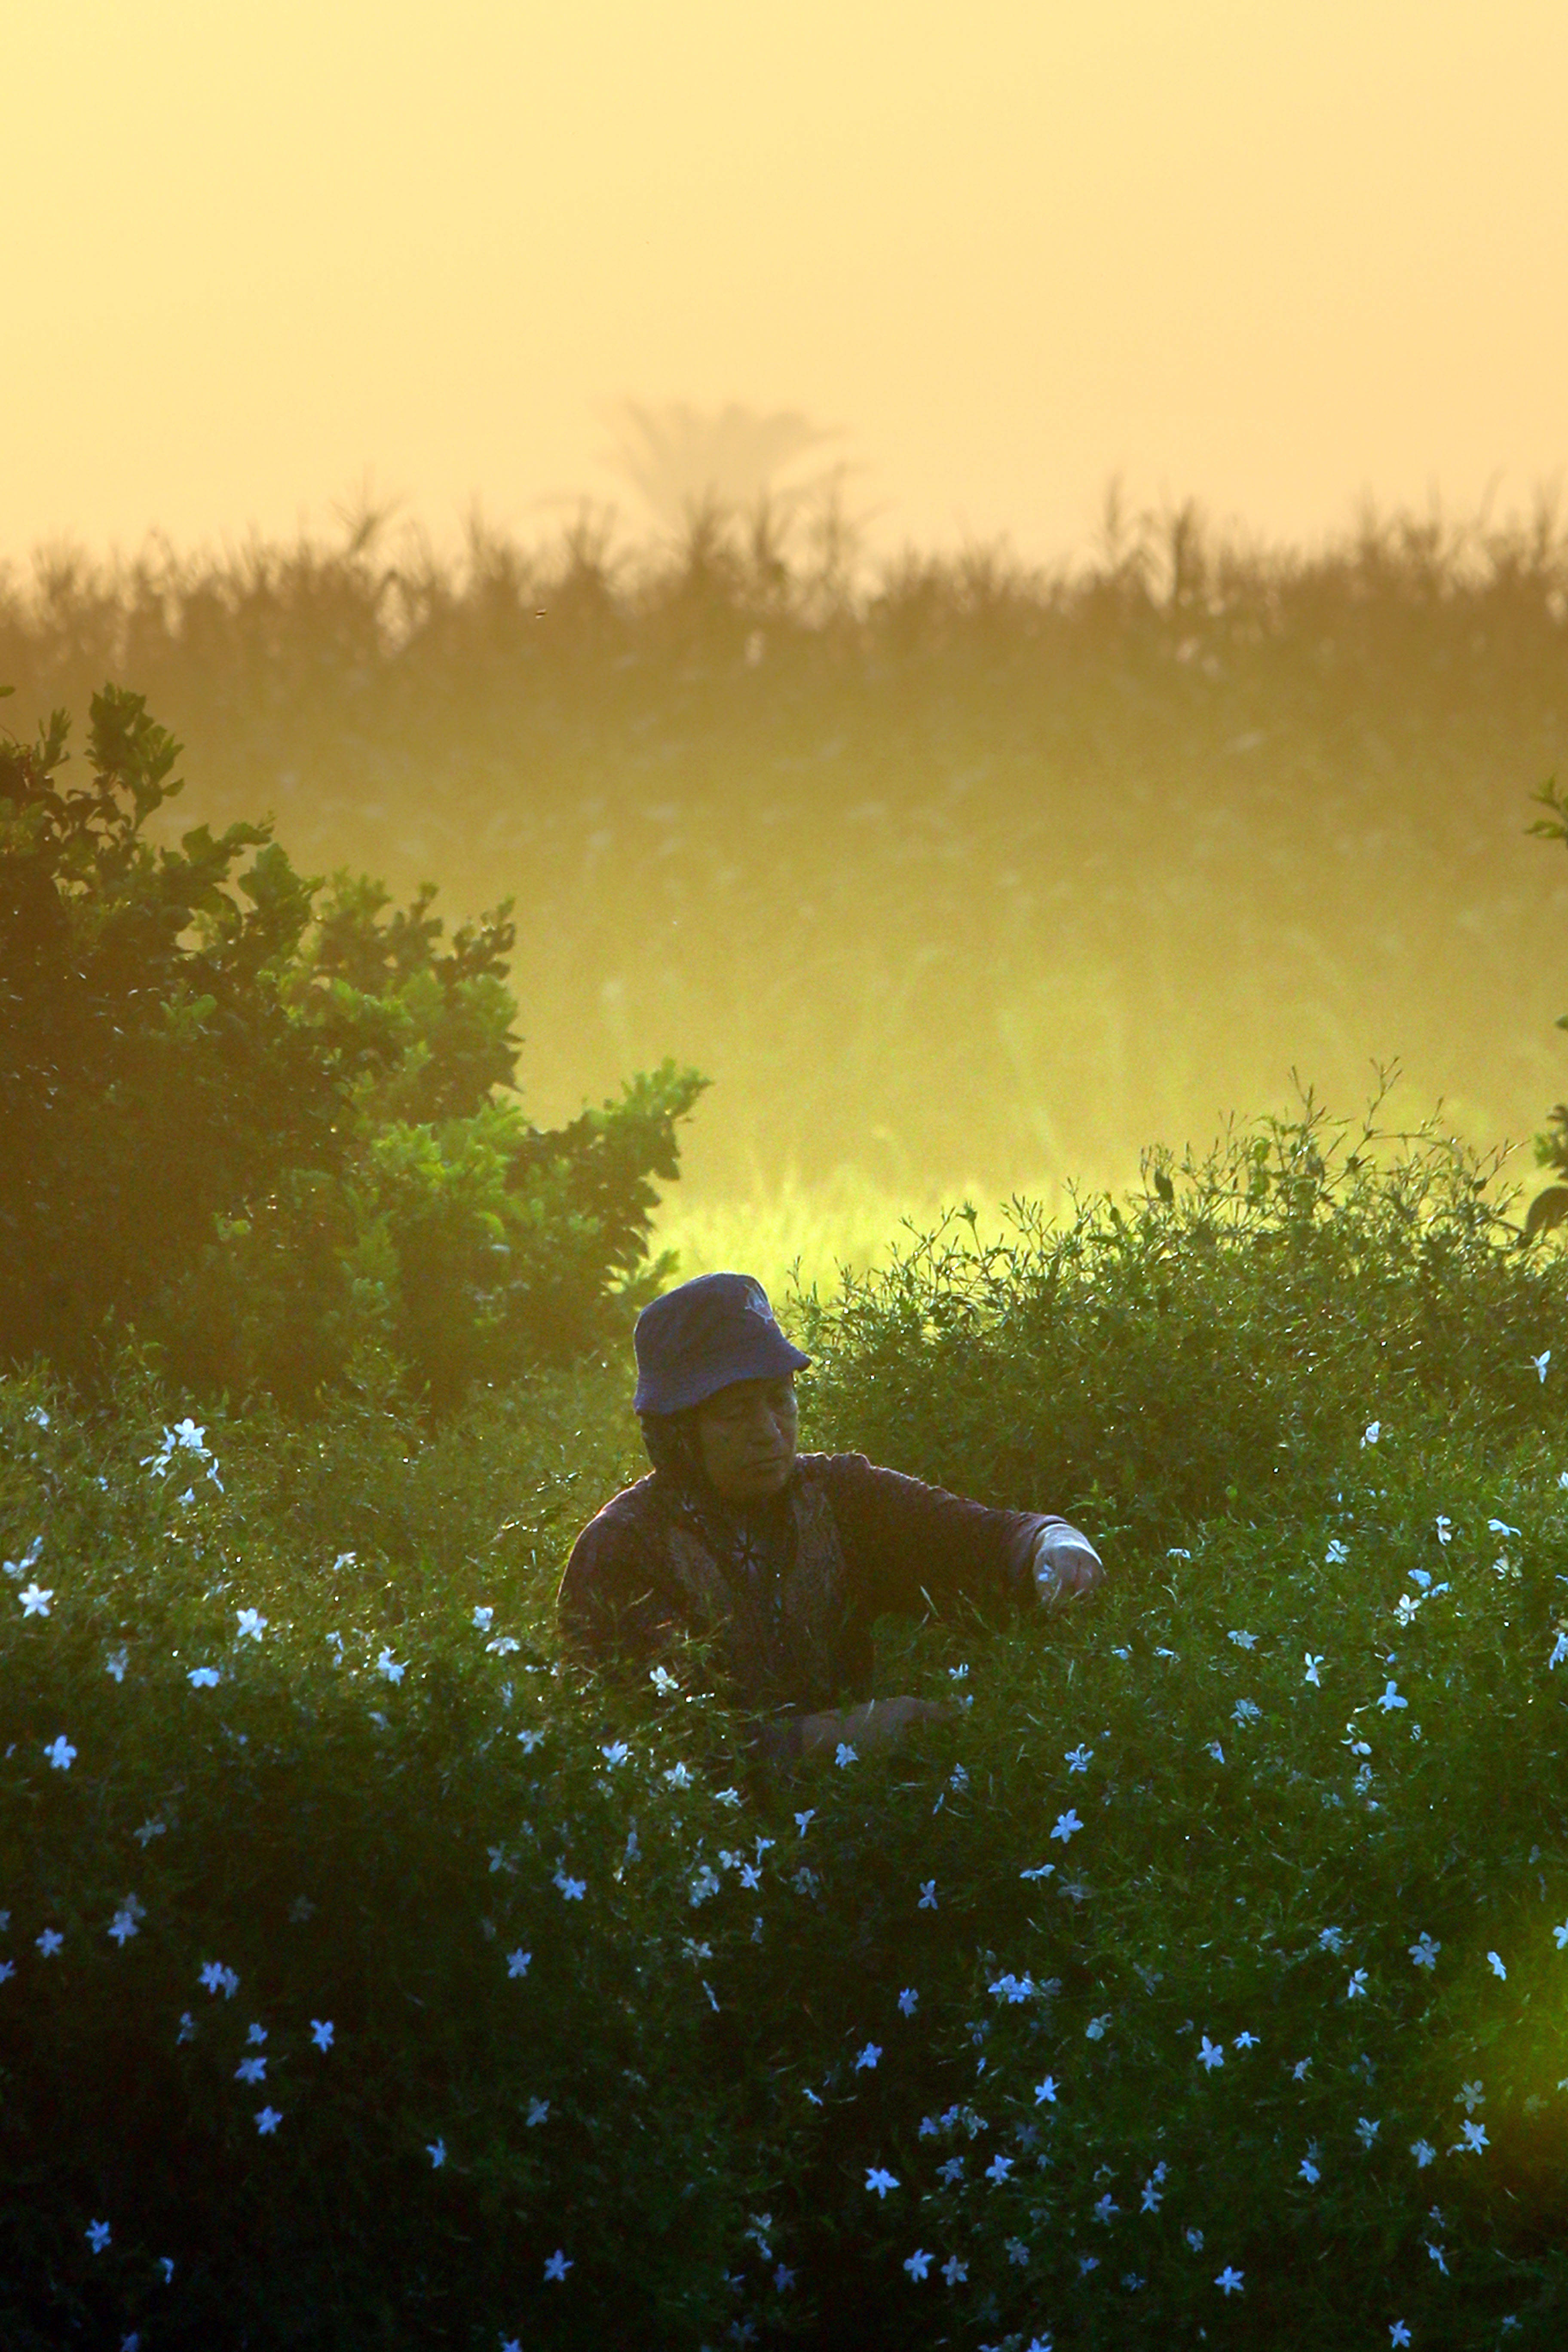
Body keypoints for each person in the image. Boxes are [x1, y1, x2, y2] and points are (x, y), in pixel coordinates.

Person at [557, 1271, 1104, 1764]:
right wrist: (846, 1734)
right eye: (734, 1412)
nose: (769, 1431)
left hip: (866, 1825)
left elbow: (976, 1543)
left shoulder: (840, 1496)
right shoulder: (621, 1554)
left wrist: (1053, 1546)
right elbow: (669, 1753)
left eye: (779, 1399)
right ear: (676, 1434)